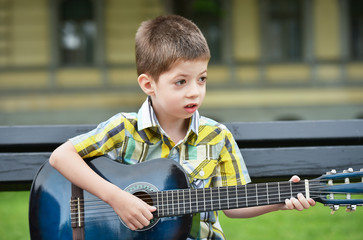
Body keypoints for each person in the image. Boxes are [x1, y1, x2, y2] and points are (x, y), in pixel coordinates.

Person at [49, 15, 315, 239]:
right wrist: (116, 198)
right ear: (148, 84)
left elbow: (235, 206)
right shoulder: (123, 128)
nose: (194, 92)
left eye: (202, 79)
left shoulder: (217, 137)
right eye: (181, 82)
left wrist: (280, 201)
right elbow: (61, 157)